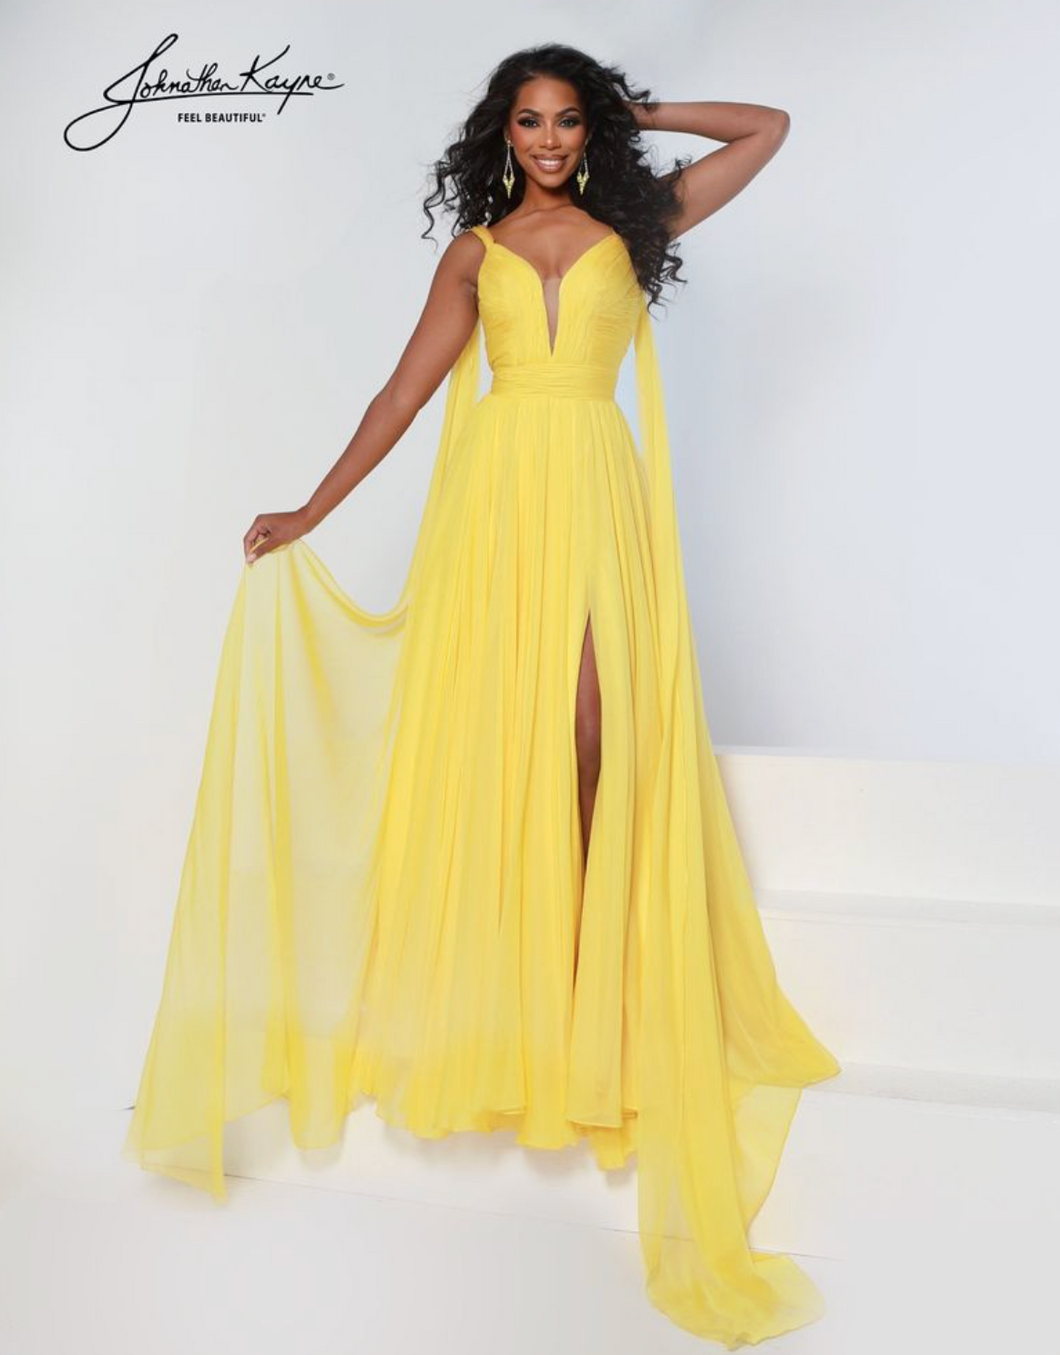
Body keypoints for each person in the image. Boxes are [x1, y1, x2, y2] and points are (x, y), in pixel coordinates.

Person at [122, 43, 842, 1349]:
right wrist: (311, 509)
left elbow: (769, 126)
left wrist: (639, 111)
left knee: (595, 733)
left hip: (595, 489)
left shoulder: (639, 220)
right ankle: (532, 988)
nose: (551, 140)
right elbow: (405, 391)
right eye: (532, 121)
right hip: (499, 505)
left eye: (569, 120)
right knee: (515, 737)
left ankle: (603, 984)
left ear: (588, 129)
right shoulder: (475, 252)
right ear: (500, 135)